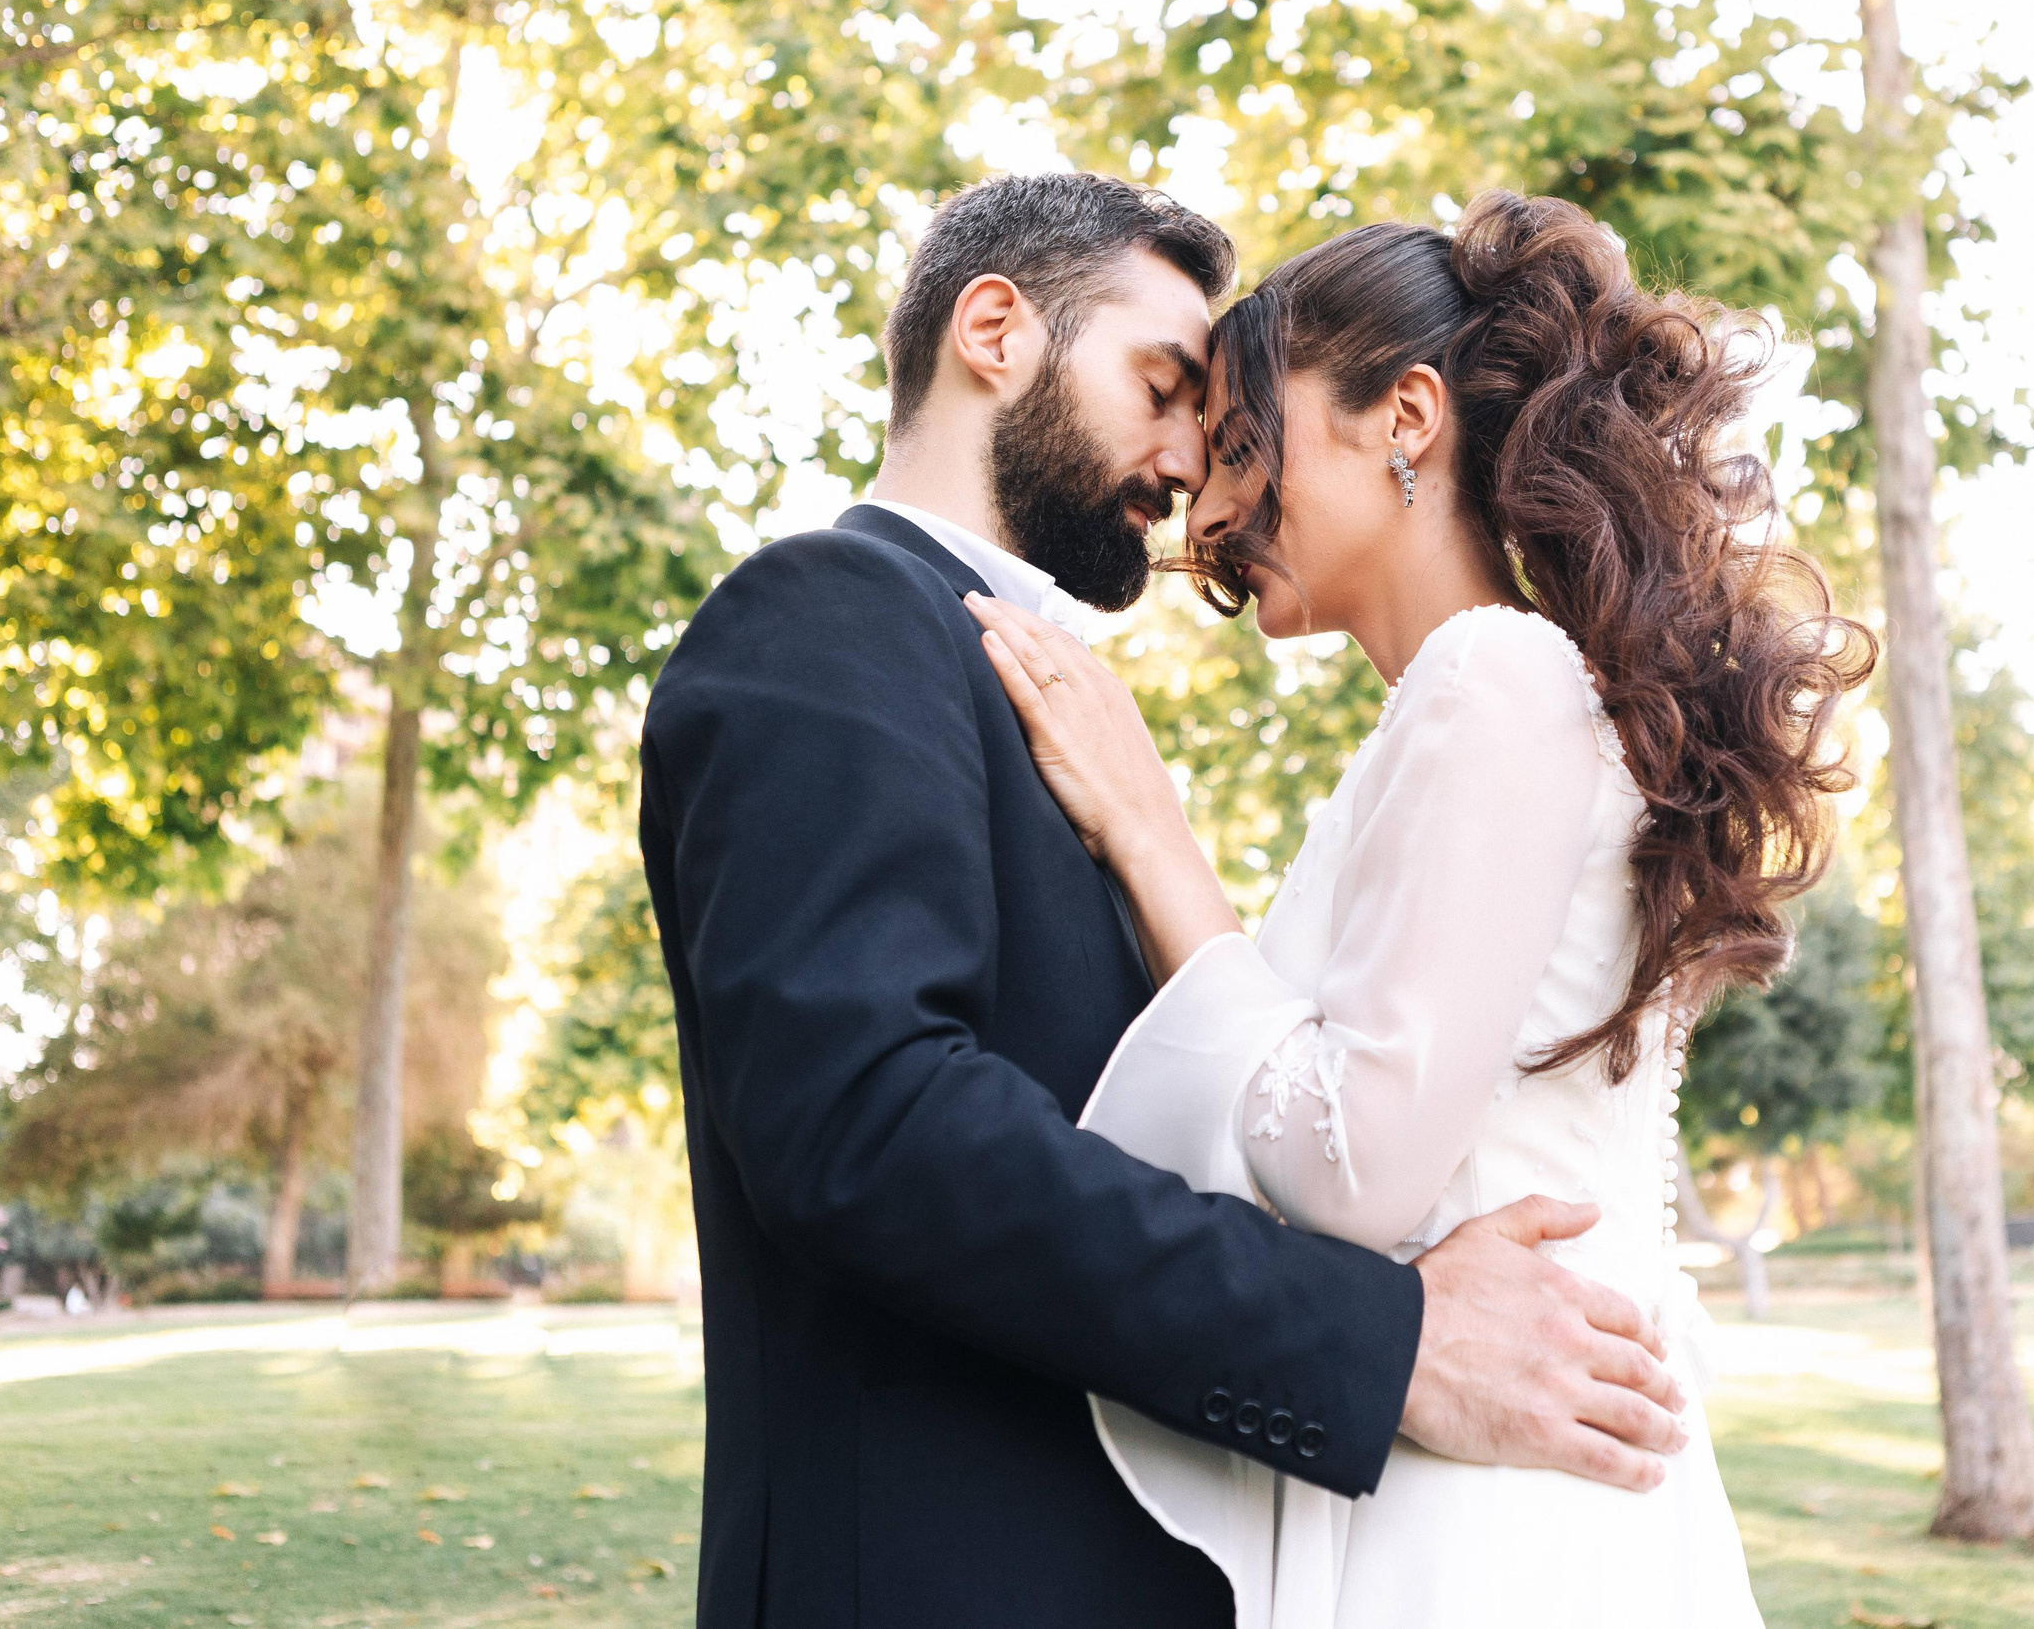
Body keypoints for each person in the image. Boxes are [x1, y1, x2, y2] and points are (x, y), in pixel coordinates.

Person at [638, 174, 1692, 1629]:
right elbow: (867, 1125)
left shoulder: (1038, 691)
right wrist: (1381, 1347)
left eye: (1223, 417)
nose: (1199, 460)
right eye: (1166, 386)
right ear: (994, 332)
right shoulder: (826, 618)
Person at [963, 191, 1878, 1626]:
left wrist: (1149, 834)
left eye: (1249, 451)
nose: (1205, 516)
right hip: (1496, 1449)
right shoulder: (1497, 695)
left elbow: (1353, 1166)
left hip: (1489, 1513)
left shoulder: (1494, 678)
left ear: (1407, 415)